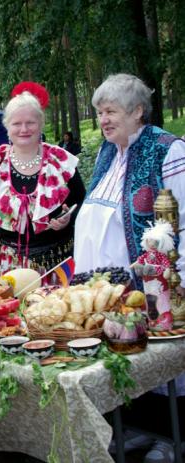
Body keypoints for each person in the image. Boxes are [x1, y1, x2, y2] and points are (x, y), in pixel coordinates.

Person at [73, 74, 185, 462]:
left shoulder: (167, 150)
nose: (103, 120)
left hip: (152, 284)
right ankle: (135, 429)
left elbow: (182, 219)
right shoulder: (107, 152)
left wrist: (174, 283)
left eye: (111, 112)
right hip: (103, 286)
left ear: (138, 112)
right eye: (100, 113)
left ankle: (173, 437)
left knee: (157, 359)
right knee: (121, 355)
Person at [0, 82, 85, 279]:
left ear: (41, 124)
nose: (24, 129)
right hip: (7, 267)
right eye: (16, 124)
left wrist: (68, 218)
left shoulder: (61, 161)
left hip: (57, 265)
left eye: (30, 122)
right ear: (7, 127)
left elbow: (82, 201)